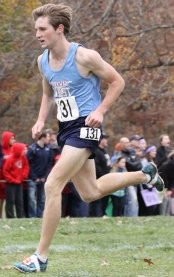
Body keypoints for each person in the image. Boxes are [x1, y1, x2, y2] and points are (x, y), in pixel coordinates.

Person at [13, 3, 164, 273]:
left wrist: (100, 110)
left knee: (52, 184)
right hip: (66, 129)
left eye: (42, 29)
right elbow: (48, 95)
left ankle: (40, 257)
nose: (37, 34)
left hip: (87, 126)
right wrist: (39, 120)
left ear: (59, 29)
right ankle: (145, 176)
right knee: (89, 192)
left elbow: (117, 81)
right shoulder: (42, 61)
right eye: (36, 29)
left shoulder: (85, 56)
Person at [27, 131, 52, 218]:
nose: (49, 139)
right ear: (42, 137)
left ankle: (40, 216)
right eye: (48, 137)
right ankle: (32, 216)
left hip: (43, 178)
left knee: (42, 199)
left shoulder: (49, 149)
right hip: (33, 179)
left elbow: (49, 164)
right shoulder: (32, 149)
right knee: (32, 199)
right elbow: (28, 164)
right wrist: (34, 177)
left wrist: (45, 177)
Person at [3, 142, 29, 218]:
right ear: (18, 150)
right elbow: (6, 171)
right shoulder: (10, 159)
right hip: (11, 183)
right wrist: (12, 180)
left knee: (19, 200)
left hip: (19, 182)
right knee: (10, 201)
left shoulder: (23, 158)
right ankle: (10, 216)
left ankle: (20, 216)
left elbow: (26, 167)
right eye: (22, 150)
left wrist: (23, 176)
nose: (24, 151)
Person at [0, 131, 16, 219]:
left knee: (10, 199)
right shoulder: (1, 150)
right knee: (1, 198)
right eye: (12, 138)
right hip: (1, 178)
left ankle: (9, 215)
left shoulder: (13, 149)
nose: (13, 140)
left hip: (11, 178)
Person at [91, 134, 111, 217]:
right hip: (99, 179)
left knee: (105, 199)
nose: (106, 141)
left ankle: (103, 214)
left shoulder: (104, 151)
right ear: (100, 140)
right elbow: (96, 166)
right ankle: (97, 215)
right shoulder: (96, 151)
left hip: (106, 179)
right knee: (98, 200)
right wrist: (104, 177)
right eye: (104, 139)